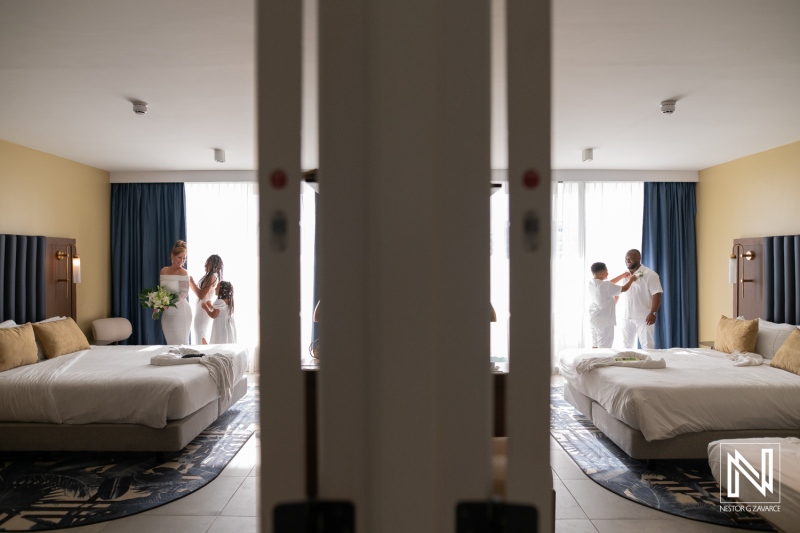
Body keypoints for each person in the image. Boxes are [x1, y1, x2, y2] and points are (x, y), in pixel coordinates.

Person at [620, 249, 663, 349]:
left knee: (647, 346)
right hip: (627, 317)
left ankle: (651, 364)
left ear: (639, 258)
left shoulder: (650, 274)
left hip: (644, 317)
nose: (628, 261)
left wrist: (653, 313)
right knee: (626, 346)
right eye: (626, 259)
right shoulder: (625, 276)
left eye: (631, 259)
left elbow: (657, 294)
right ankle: (627, 365)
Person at [587, 262, 637, 348]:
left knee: (595, 346)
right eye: (607, 271)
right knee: (604, 349)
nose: (608, 273)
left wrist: (622, 275)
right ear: (602, 274)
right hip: (604, 323)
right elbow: (624, 288)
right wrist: (631, 280)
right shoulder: (605, 285)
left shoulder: (591, 283)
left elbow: (608, 284)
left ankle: (594, 360)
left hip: (594, 320)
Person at [159, 240, 192, 345]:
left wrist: (169, 303)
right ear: (172, 256)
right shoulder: (164, 271)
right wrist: (158, 303)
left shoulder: (183, 272)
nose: (182, 261)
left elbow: (183, 294)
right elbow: (162, 291)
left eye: (184, 258)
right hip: (167, 312)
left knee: (181, 342)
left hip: (180, 311)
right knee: (170, 342)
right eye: (179, 257)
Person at [191, 254, 223, 344]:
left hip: (203, 309)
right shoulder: (211, 276)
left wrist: (191, 282)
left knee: (201, 333)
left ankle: (204, 355)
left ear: (214, 265)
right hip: (202, 308)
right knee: (200, 333)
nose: (205, 265)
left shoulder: (212, 277)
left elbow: (201, 295)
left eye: (207, 264)